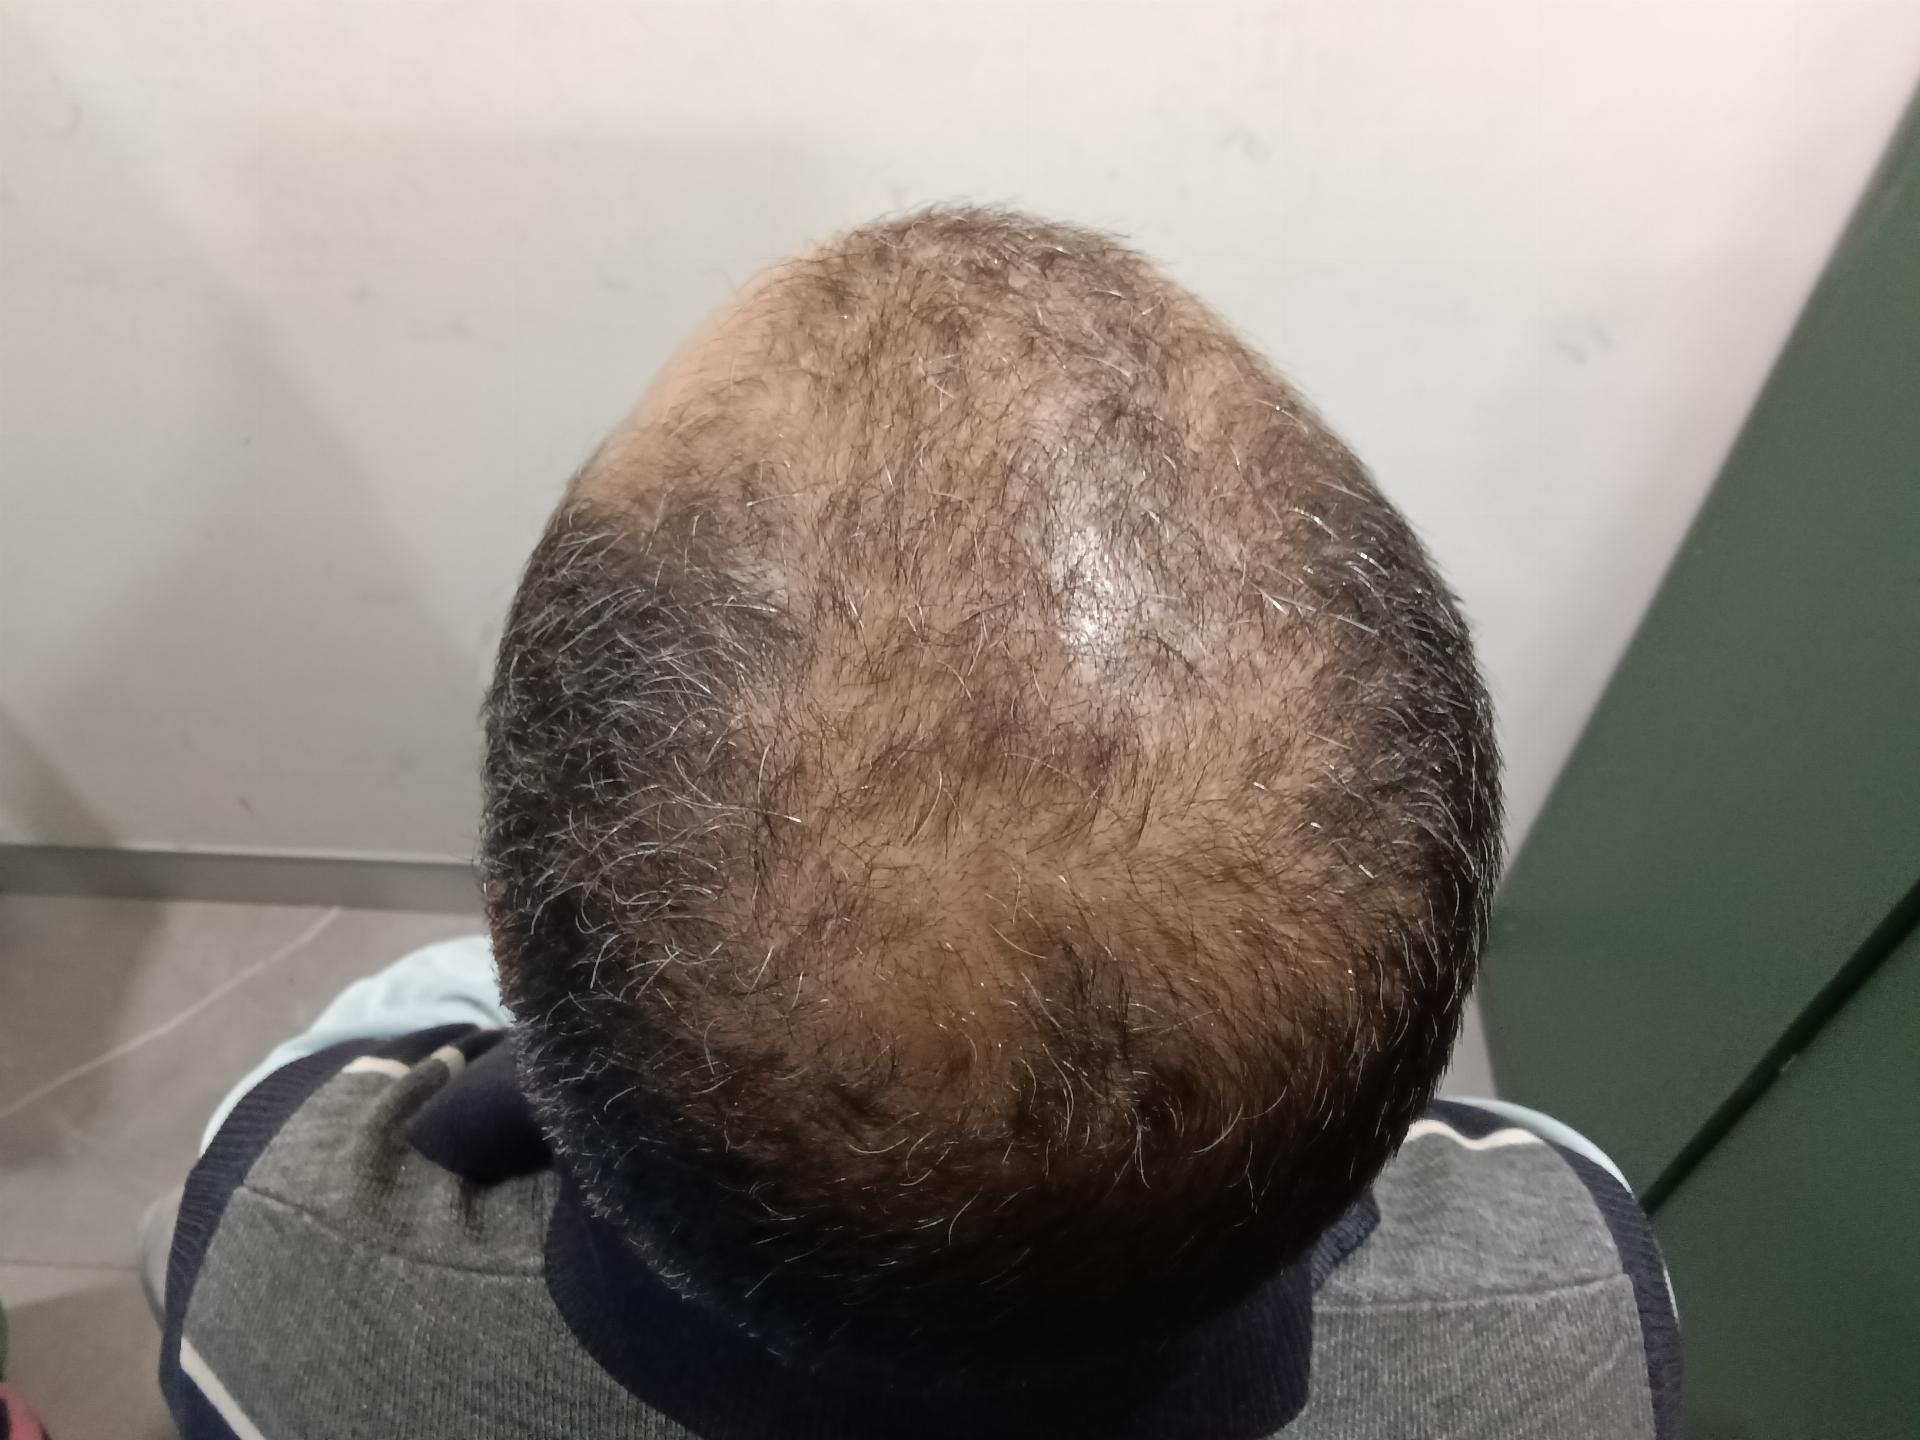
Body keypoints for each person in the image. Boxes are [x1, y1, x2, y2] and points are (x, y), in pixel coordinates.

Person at [157, 208, 1678, 1439]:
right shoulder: (1569, 1328)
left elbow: (355, 1094)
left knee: (404, 1004)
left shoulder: (282, 1290)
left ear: (509, 920)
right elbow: (1521, 1171)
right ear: (1421, 1008)